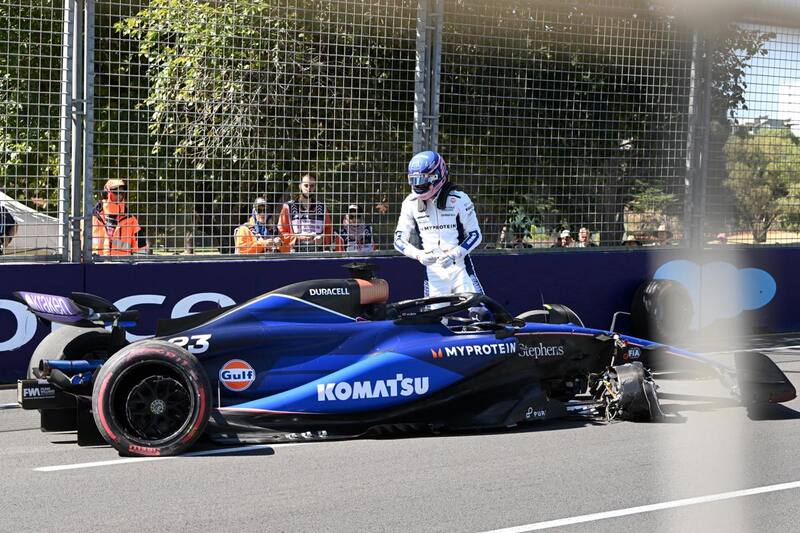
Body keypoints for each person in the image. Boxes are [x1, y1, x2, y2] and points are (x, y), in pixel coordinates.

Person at [394, 150, 483, 297]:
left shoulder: (459, 199)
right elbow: (398, 240)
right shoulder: (409, 203)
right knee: (434, 319)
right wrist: (419, 255)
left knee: (481, 312)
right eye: (414, 180)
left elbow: (475, 235)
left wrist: (455, 254)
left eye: (423, 180)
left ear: (438, 175)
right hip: (433, 273)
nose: (419, 185)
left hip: (459, 267)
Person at [278, 174, 333, 252]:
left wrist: (322, 238)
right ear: (300, 186)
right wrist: (297, 238)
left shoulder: (322, 207)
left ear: (316, 187)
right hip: (295, 253)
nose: (309, 188)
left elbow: (329, 231)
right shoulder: (288, 207)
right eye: (306, 185)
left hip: (317, 253)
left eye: (312, 186)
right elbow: (281, 232)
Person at [91, 179, 147, 256]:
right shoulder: (93, 217)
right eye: (116, 192)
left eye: (122, 193)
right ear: (106, 193)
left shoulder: (131, 220)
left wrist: (138, 267)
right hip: (95, 265)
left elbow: (141, 248)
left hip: (122, 266)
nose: (119, 195)